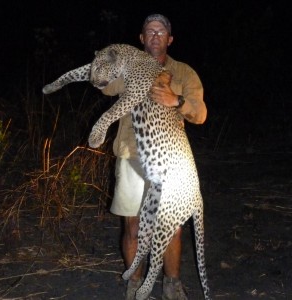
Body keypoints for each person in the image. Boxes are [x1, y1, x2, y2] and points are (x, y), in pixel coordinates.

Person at [102, 14, 207, 300]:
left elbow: (200, 113)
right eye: (150, 32)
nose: (155, 36)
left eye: (161, 32)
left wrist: (177, 100)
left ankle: (171, 284)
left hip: (171, 162)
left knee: (171, 228)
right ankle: (135, 284)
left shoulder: (183, 72)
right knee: (133, 227)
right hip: (132, 155)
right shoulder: (129, 65)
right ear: (141, 38)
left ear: (170, 39)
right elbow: (104, 85)